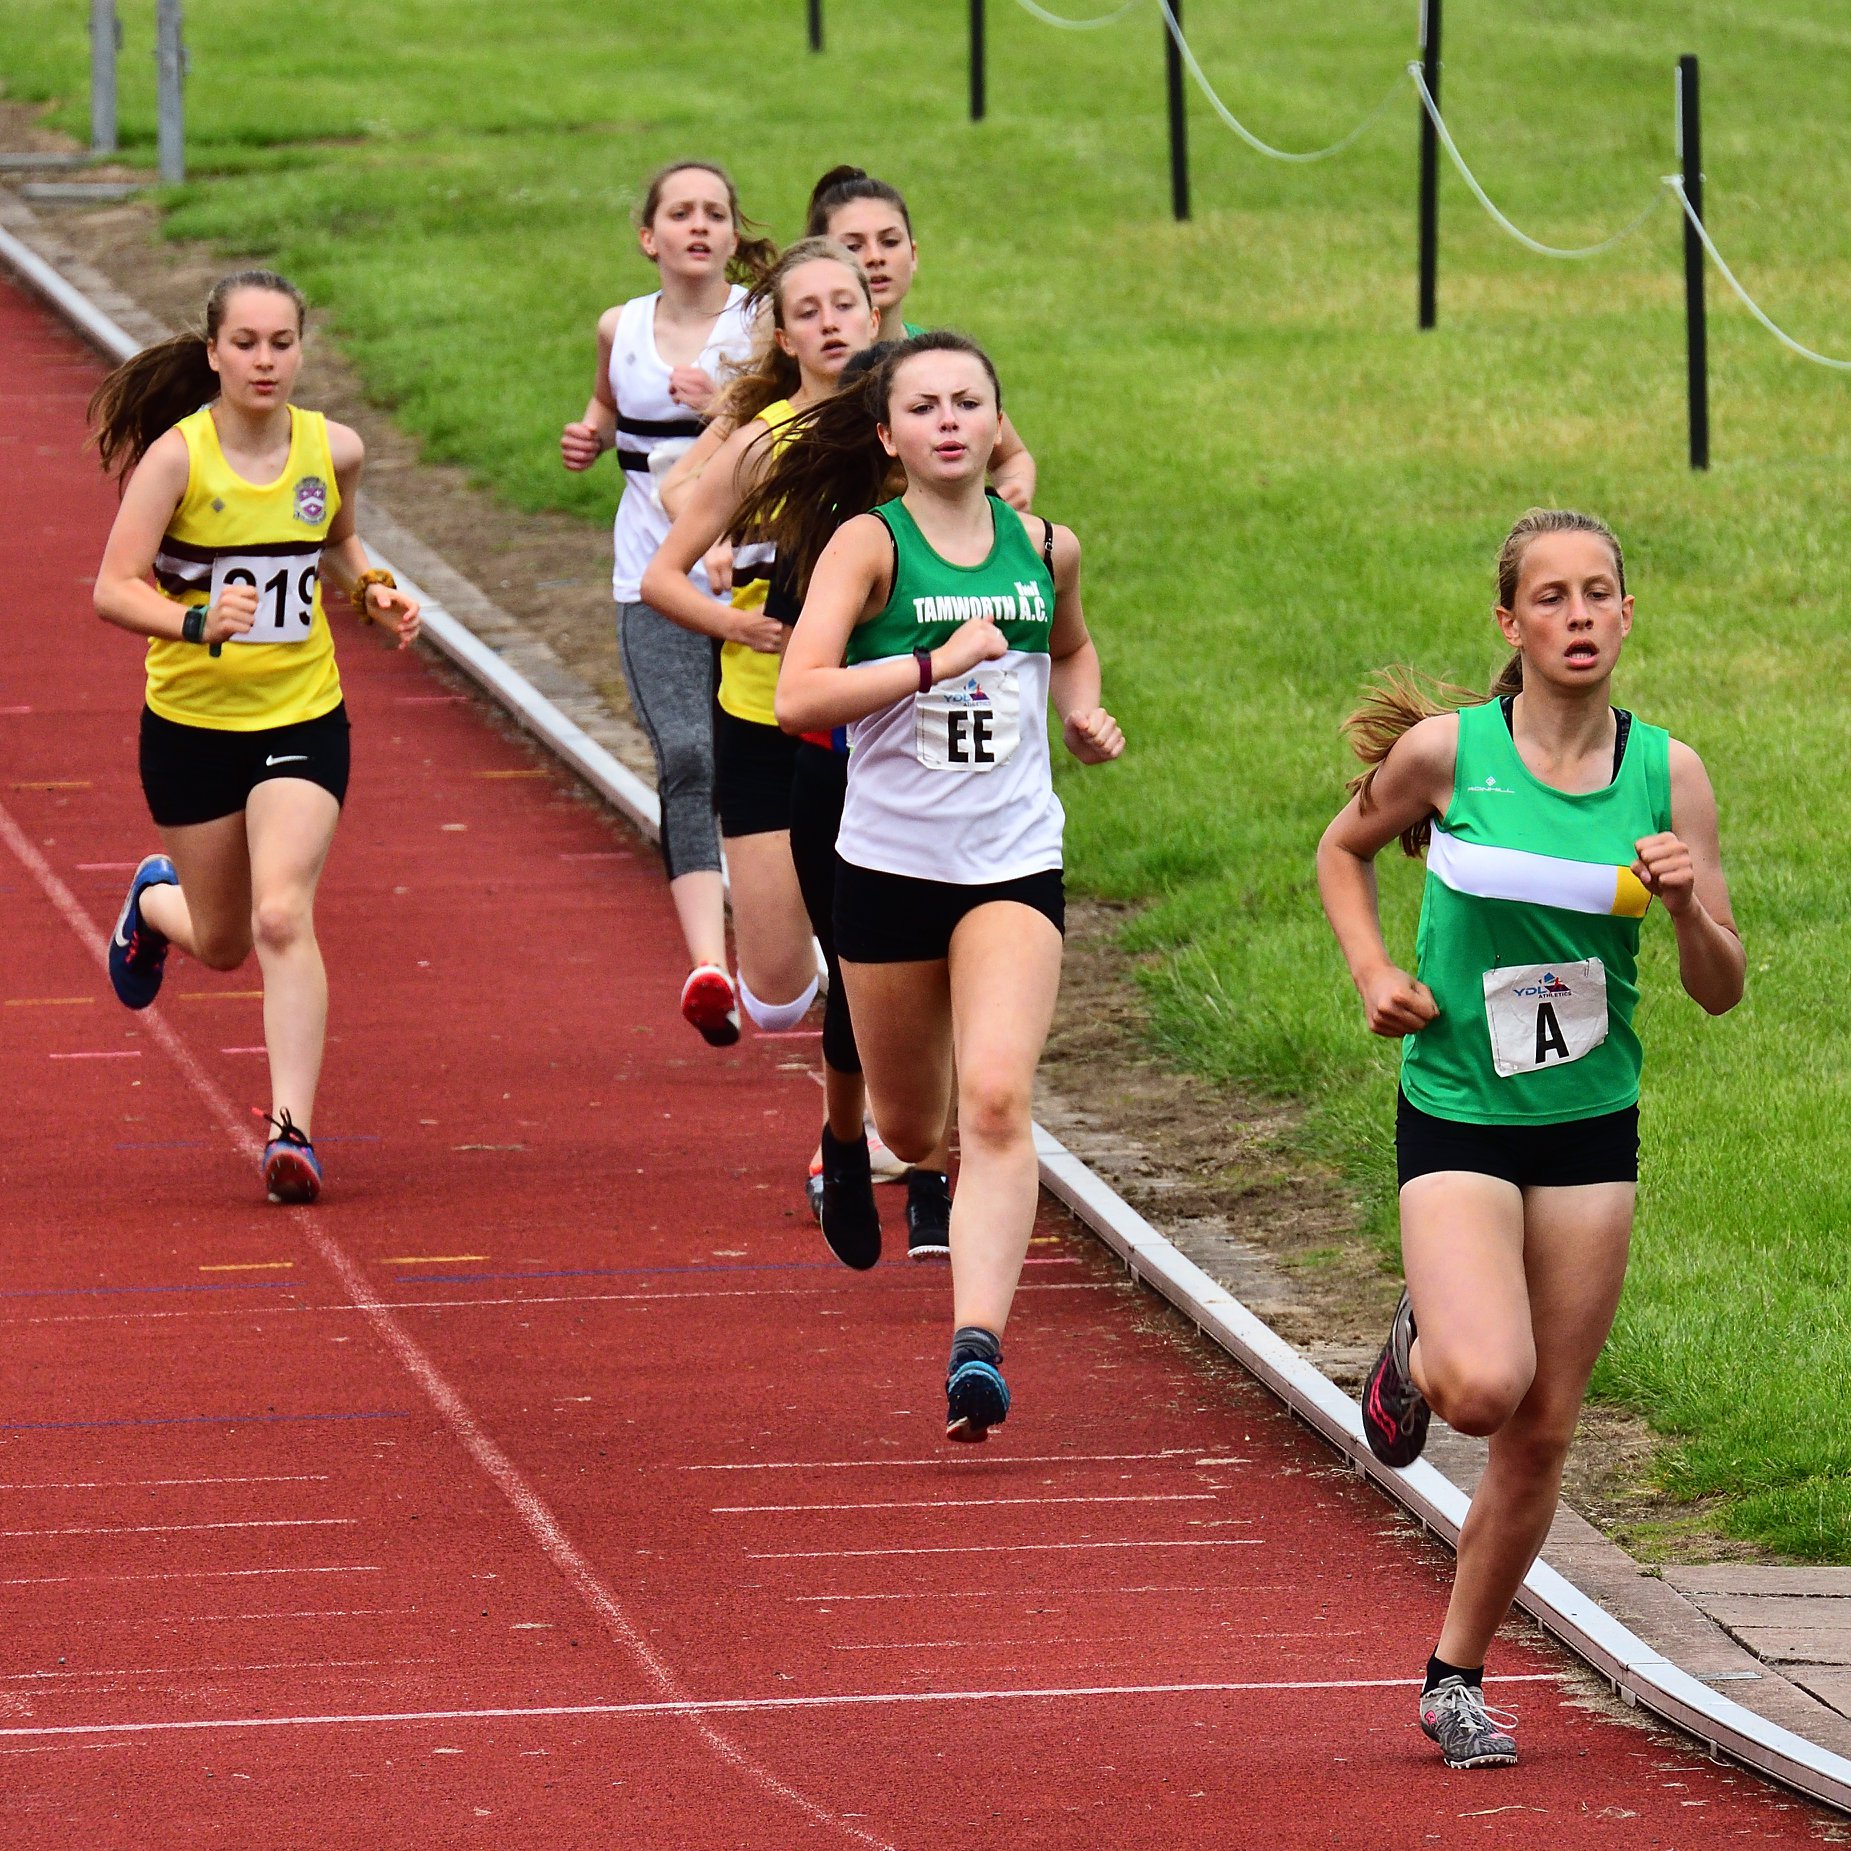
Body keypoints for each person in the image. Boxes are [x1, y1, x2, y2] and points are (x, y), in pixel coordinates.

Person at [1315, 508, 1744, 1769]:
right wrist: (1373, 972)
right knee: (1482, 1386)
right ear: (1511, 622)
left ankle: (1455, 1676)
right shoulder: (1451, 754)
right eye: (1550, 597)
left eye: (1597, 593)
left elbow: (1721, 986)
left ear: (1627, 614)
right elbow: (1344, 850)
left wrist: (1686, 909)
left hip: (1589, 1123)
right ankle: (1421, 1343)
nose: (1577, 616)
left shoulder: (1670, 774)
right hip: (1459, 1106)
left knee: (1543, 1427)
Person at [773, 332, 1125, 1440]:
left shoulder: (1045, 547)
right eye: (923, 407)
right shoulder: (868, 546)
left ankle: (977, 1344)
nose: (948, 422)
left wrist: (1081, 710)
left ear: (996, 421)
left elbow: (1072, 649)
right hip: (888, 866)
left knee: (998, 1101)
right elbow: (798, 697)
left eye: (968, 402)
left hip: (1012, 862)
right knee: (915, 1124)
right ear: (887, 436)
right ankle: (846, 1137)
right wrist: (931, 663)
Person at [89, 269, 421, 1205]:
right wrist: (196, 622)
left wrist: (373, 589)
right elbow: (113, 588)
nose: (265, 361)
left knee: (281, 914)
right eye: (246, 344)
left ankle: (292, 1134)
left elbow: (338, 545)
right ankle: (155, 902)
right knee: (225, 940)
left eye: (282, 343)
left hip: (300, 714)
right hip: (190, 726)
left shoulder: (333, 449)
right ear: (214, 353)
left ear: (301, 350)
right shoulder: (176, 462)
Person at [642, 249, 943, 1260]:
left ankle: (870, 1148)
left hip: (877, 735)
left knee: (875, 955)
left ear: (875, 312)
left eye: (844, 305)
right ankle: (865, 1106)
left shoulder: (907, 432)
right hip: (761, 720)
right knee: (777, 995)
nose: (829, 324)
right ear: (782, 336)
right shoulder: (762, 442)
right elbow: (663, 576)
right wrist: (736, 623)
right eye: (806, 311)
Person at [560, 159, 774, 1045]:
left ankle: (782, 947)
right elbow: (607, 405)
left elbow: (798, 416)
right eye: (680, 213)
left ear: (732, 233)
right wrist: (590, 434)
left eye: (715, 213)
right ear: (648, 237)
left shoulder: (762, 322)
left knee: (762, 763)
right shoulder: (619, 327)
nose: (699, 226)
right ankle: (708, 965)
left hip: (755, 575)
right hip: (651, 579)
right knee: (686, 754)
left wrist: (718, 400)